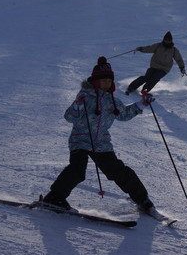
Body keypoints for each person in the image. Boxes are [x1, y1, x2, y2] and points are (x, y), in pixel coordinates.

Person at [41, 56, 156, 212]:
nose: (106, 83)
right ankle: (55, 197)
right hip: (80, 140)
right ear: (95, 81)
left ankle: (142, 199)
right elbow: (69, 117)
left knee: (118, 170)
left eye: (109, 81)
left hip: (101, 143)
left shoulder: (112, 101)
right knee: (77, 169)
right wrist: (78, 106)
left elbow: (124, 114)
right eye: (103, 80)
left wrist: (141, 104)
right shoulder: (85, 97)